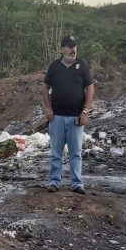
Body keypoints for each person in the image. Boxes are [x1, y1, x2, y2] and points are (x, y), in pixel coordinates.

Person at [41, 35, 94, 194]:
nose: (73, 50)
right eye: (69, 47)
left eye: (74, 47)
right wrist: (48, 109)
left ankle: (77, 183)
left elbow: (90, 88)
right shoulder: (55, 66)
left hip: (76, 118)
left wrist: (85, 111)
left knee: (75, 153)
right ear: (62, 49)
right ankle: (54, 181)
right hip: (57, 117)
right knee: (56, 152)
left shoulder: (82, 65)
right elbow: (44, 88)